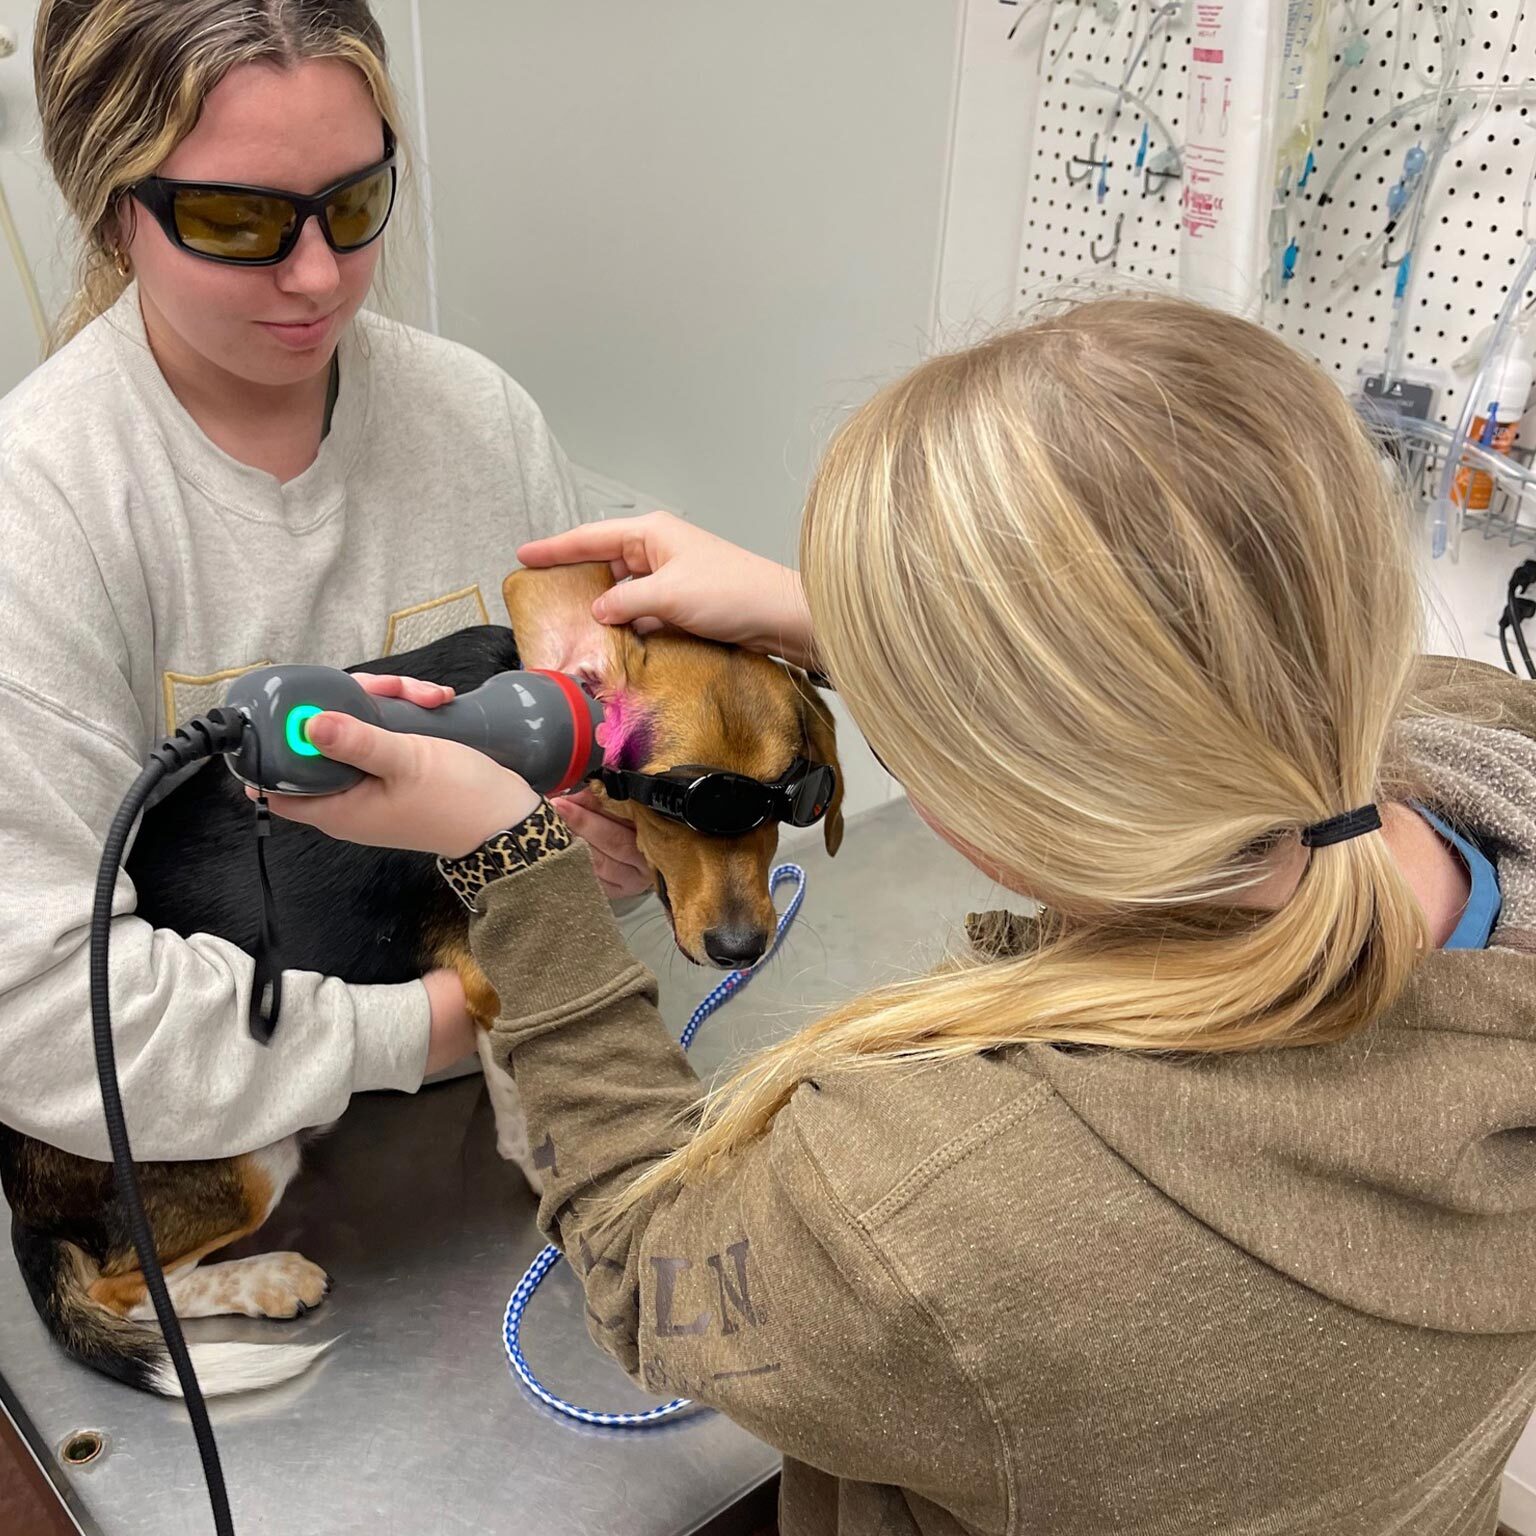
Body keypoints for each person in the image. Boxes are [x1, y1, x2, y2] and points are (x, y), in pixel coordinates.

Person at [266, 296, 1536, 1536]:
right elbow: (1240, 669)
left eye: (891, 706)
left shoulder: (934, 1209)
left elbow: (651, 1267)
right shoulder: (1483, 749)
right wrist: (829, 622)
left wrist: (515, 866)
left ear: (998, 779)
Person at [0, 0, 645, 1165]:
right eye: (239, 221)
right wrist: (446, 1021)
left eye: (353, 205)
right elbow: (43, 1020)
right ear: (110, 212)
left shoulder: (479, 420)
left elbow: (598, 790)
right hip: (218, 1159)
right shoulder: (39, 513)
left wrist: (628, 841)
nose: (316, 276)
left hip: (512, 1108)